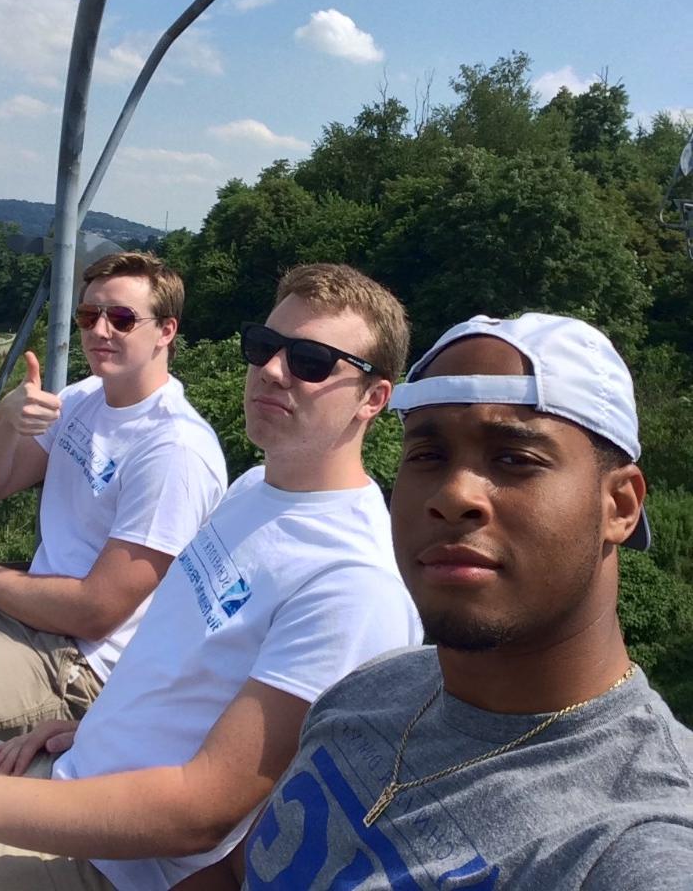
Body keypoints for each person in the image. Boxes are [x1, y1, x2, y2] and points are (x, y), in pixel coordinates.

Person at [0, 262, 421, 890]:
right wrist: (95, 725)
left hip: (108, 861)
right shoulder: (256, 488)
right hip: (70, 771)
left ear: (374, 397)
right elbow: (185, 665)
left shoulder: (353, 584)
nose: (273, 370)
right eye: (264, 347)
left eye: (311, 361)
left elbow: (203, 815)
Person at [242, 311, 693, 890]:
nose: (454, 496)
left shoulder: (635, 841)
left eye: (514, 459)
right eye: (428, 456)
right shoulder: (372, 689)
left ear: (620, 506)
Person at [0, 251, 227, 738]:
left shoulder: (173, 451)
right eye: (88, 315)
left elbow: (96, 612)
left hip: (75, 666)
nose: (100, 331)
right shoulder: (83, 399)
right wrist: (7, 418)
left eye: (121, 319)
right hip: (23, 615)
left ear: (166, 331)